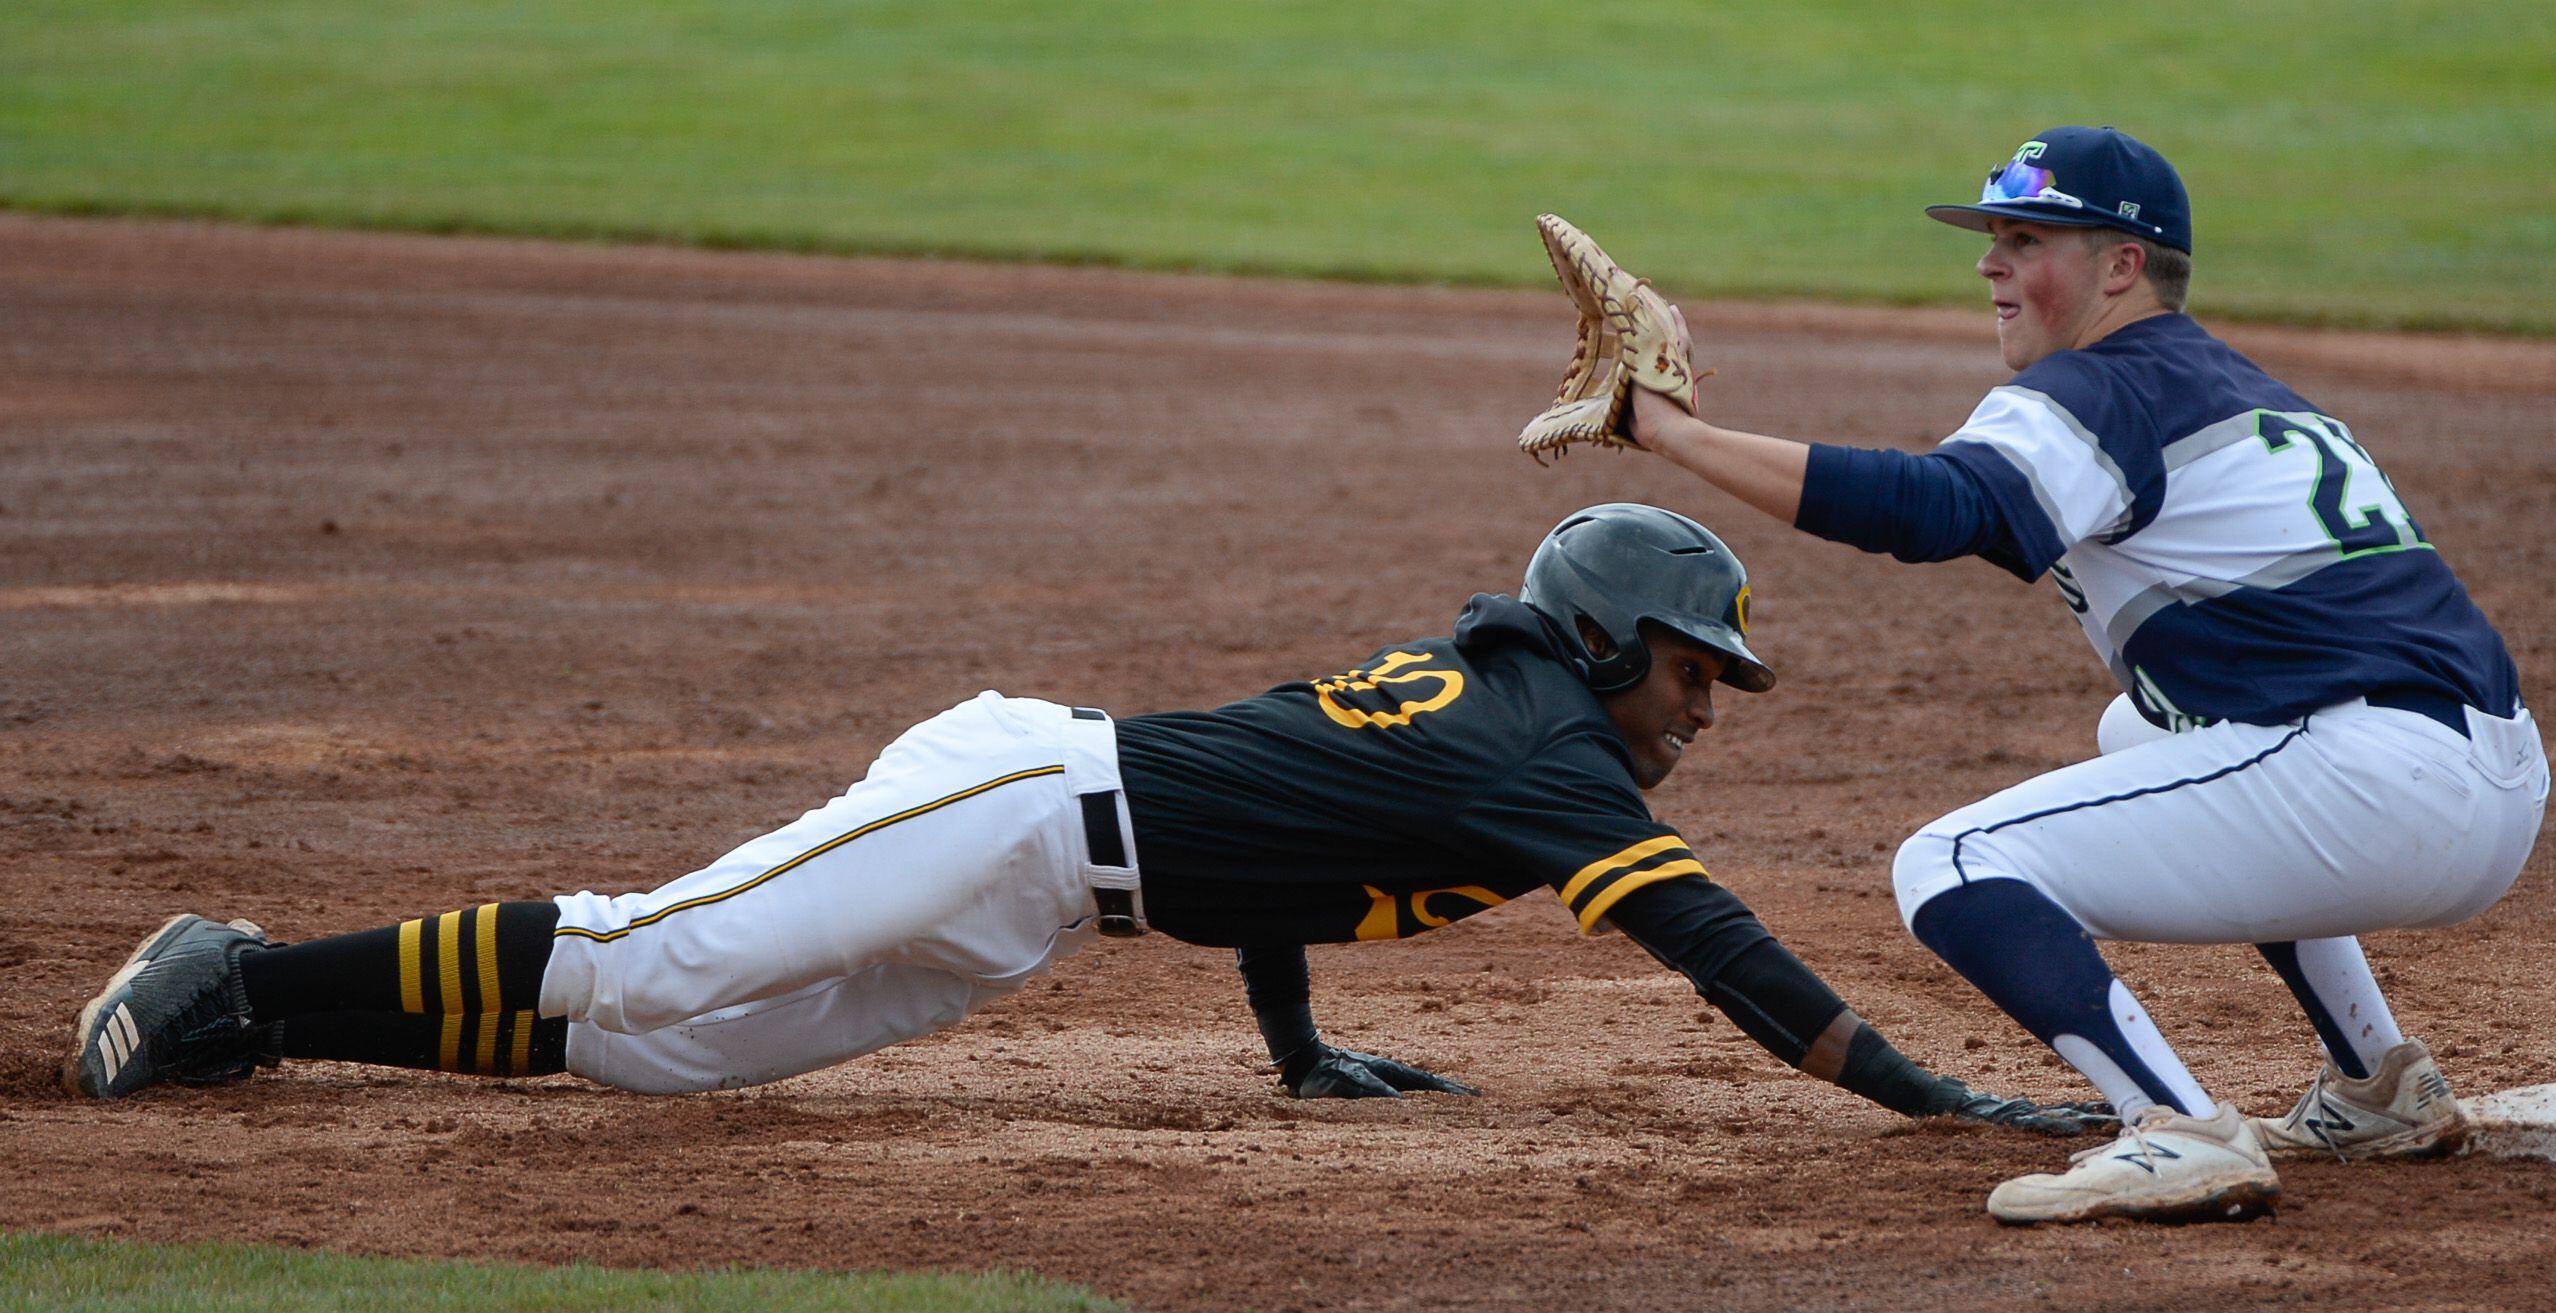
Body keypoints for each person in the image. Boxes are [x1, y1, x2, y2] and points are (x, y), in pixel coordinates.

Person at [63, 503, 2104, 1141]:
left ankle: (274, 1025)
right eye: (1693, 672)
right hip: (1014, 796)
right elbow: (1728, 955)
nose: (1701, 711)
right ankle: (230, 972)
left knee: (666, 1041)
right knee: (662, 947)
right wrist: (1933, 1100)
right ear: (1609, 645)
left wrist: (1299, 1044)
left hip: (1044, 889)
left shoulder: (1498, 705)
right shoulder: (1540, 758)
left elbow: (1285, 843)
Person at [1605, 127, 2550, 1223]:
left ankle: (2175, 1125)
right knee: (2139, 731)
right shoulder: (2230, 383)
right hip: (2478, 778)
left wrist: (1671, 432)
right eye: (1992, 237)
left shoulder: (2102, 387)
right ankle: (2376, 1080)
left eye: (2024, 237)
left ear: (2119, 267)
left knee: (1951, 862)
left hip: (2375, 786)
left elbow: (1931, 509)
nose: (1988, 262)